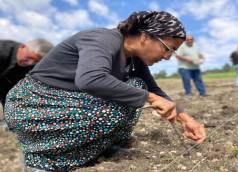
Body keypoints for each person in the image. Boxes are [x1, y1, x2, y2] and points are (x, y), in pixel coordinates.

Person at [4, 11, 206, 171]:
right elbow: (90, 79)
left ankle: (100, 148)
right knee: (128, 98)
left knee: (137, 87)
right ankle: (42, 160)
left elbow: (153, 89)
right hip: (32, 102)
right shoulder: (102, 39)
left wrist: (185, 117)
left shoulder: (135, 58)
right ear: (145, 36)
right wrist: (150, 98)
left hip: (63, 99)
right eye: (167, 48)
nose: (168, 57)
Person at [0, 39, 53, 105]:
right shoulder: (2, 49)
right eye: (29, 57)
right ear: (23, 46)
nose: (30, 63)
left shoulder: (32, 69)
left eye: (36, 61)